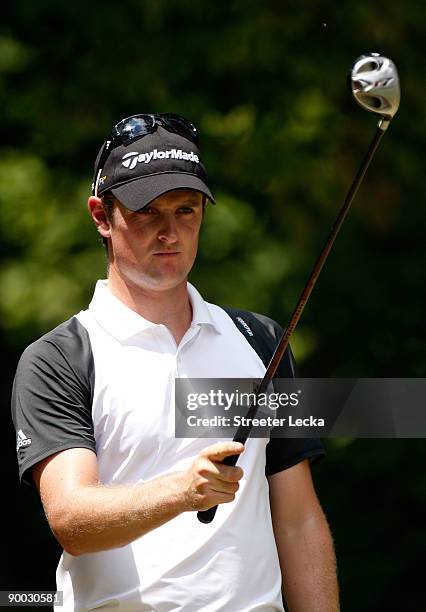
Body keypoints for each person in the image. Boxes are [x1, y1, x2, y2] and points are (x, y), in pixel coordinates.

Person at [12, 113, 339, 611]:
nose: (170, 231)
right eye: (147, 212)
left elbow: (297, 519)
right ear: (102, 216)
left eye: (186, 210)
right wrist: (182, 490)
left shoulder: (260, 340)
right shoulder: (58, 358)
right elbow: (72, 519)